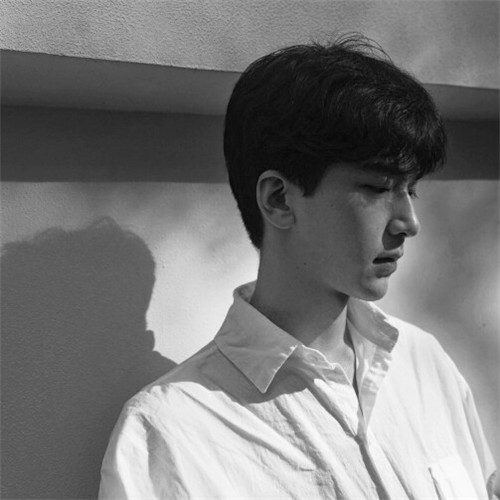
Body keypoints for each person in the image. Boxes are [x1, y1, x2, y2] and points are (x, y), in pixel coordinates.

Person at [98, 35, 496, 499]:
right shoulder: (170, 436)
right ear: (278, 199)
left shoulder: (425, 364)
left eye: (411, 189)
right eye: (377, 187)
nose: (409, 222)